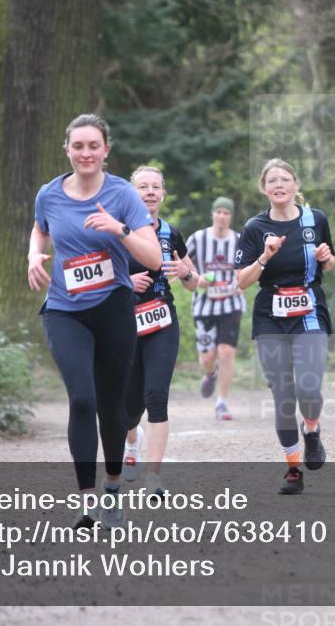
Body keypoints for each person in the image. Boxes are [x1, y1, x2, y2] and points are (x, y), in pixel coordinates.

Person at [27, 114, 161, 530]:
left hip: (113, 307)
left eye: (93, 146)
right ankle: (86, 501)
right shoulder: (49, 194)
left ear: (106, 150)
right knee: (82, 398)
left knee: (111, 405)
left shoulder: (123, 195)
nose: (86, 153)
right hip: (65, 309)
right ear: (67, 149)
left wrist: (118, 229)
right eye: (78, 146)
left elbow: (154, 259)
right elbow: (39, 229)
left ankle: (113, 487)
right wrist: (34, 254)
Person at [235, 158, 335, 495]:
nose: (278, 185)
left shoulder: (315, 219)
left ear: (296, 185)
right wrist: (264, 257)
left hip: (309, 310)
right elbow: (241, 282)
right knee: (282, 395)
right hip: (270, 315)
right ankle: (293, 469)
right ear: (264, 188)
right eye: (272, 181)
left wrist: (326, 257)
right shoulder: (254, 228)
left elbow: (331, 262)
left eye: (285, 179)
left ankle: (312, 429)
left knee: (308, 388)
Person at [121, 166, 199, 497]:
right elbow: (95, 277)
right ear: (131, 193)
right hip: (123, 323)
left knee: (156, 396)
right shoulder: (118, 230)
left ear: (163, 194)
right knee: (126, 407)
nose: (150, 192)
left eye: (156, 187)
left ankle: (153, 477)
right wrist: (124, 282)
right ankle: (131, 438)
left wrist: (185, 272)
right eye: (143, 187)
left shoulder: (171, 233)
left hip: (162, 321)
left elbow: (193, 283)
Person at [186, 196, 246, 421]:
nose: (222, 216)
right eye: (218, 212)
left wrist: (243, 283)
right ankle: (210, 374)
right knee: (207, 357)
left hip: (231, 304)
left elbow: (249, 267)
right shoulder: (198, 238)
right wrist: (195, 277)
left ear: (231, 216)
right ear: (212, 214)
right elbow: (182, 261)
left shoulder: (239, 240)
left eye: (226, 213)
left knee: (227, 352)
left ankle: (222, 402)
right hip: (203, 306)